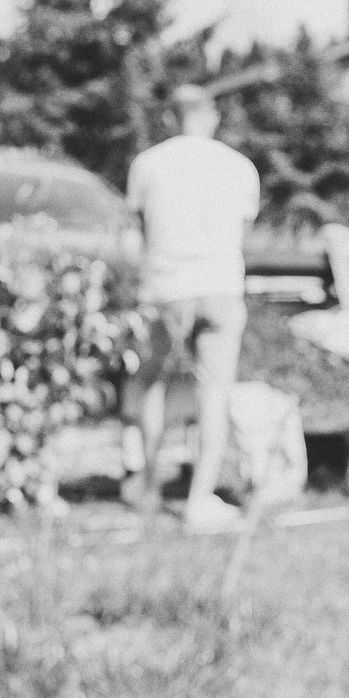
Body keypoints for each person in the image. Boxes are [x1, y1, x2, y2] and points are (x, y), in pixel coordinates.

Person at [125, 82, 260, 531]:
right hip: (220, 285)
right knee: (213, 393)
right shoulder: (239, 166)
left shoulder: (148, 163)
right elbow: (243, 226)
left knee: (153, 382)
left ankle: (147, 484)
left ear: (170, 118)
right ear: (213, 116)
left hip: (166, 287)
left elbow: (139, 225)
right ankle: (199, 500)